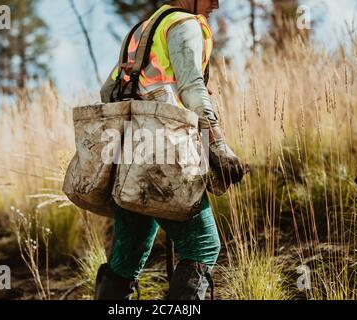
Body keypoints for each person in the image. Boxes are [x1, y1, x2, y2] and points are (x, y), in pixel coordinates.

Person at [96, 0, 245, 300]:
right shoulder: (185, 24)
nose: (216, 4)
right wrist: (217, 144)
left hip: (128, 158)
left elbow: (107, 92)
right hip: (166, 154)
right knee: (203, 244)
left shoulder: (141, 30)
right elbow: (192, 88)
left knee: (129, 253)